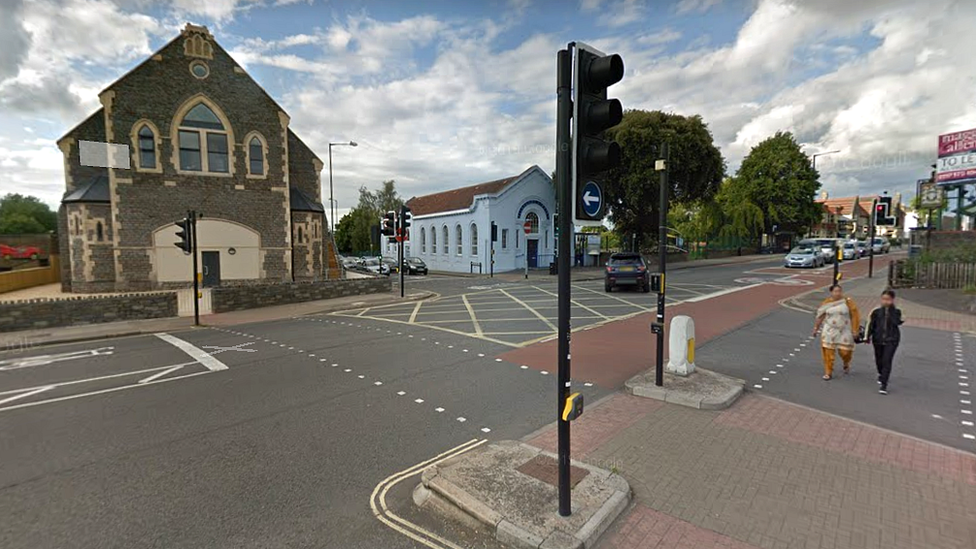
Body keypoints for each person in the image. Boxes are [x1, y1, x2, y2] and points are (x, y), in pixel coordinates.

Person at [813, 284, 860, 380]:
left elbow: (855, 315)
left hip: (845, 330)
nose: (838, 293)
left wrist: (855, 329)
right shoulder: (826, 303)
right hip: (829, 330)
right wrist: (816, 328)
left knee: (845, 352)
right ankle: (828, 372)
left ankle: (846, 362)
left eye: (839, 291)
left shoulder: (848, 302)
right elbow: (820, 316)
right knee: (828, 352)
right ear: (831, 292)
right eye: (835, 291)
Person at [865, 289, 904, 395]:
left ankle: (884, 384)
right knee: (879, 359)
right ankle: (881, 373)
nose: (885, 301)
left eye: (888, 299)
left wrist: (890, 311)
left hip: (892, 339)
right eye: (883, 299)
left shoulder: (896, 312)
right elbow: (871, 325)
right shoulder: (876, 312)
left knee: (887, 360)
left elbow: (898, 322)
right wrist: (867, 336)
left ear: (892, 300)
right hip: (878, 339)